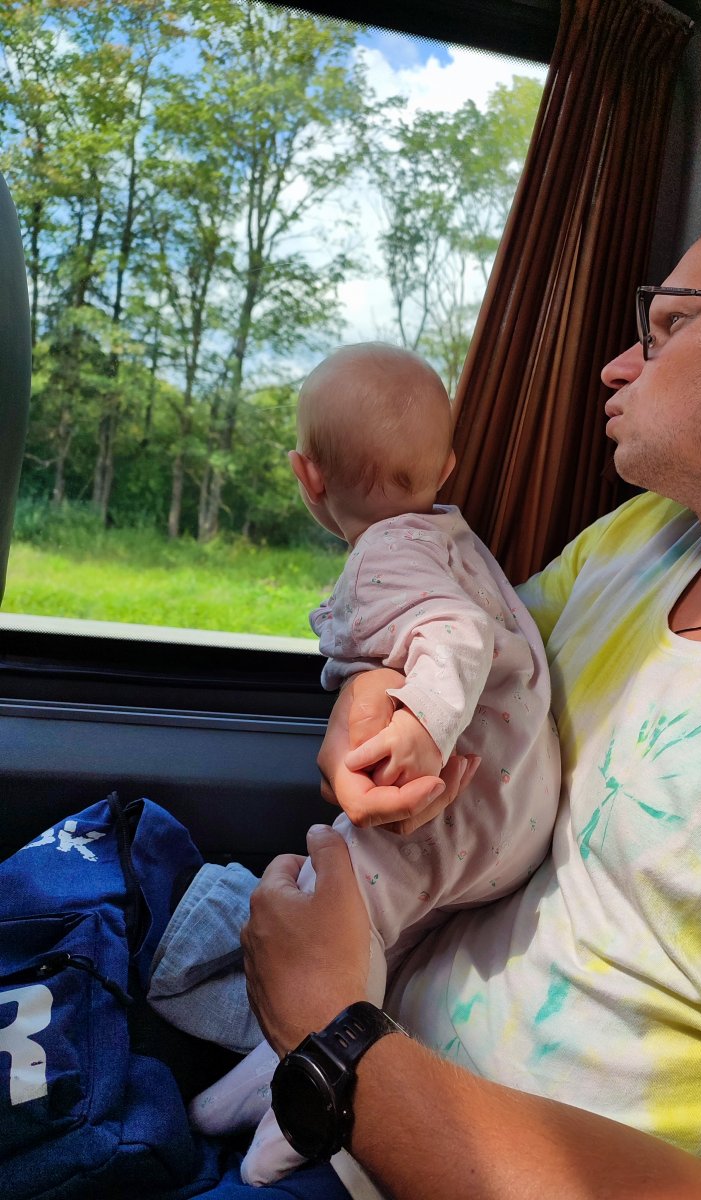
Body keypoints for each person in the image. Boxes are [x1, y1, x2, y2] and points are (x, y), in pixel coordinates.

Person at [240, 194, 701, 1200]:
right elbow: (471, 662)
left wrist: (329, 1035)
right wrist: (379, 690)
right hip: (353, 1095)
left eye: (669, 326)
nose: (619, 365)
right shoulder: (642, 542)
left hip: (361, 1103)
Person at [148, 343, 560, 1186]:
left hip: (462, 800)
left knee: (335, 913)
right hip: (517, 804)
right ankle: (262, 1077)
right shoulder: (443, 535)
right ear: (445, 469)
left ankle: (307, 1103)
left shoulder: (384, 557)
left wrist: (422, 726)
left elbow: (458, 635)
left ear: (306, 476)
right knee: (382, 933)